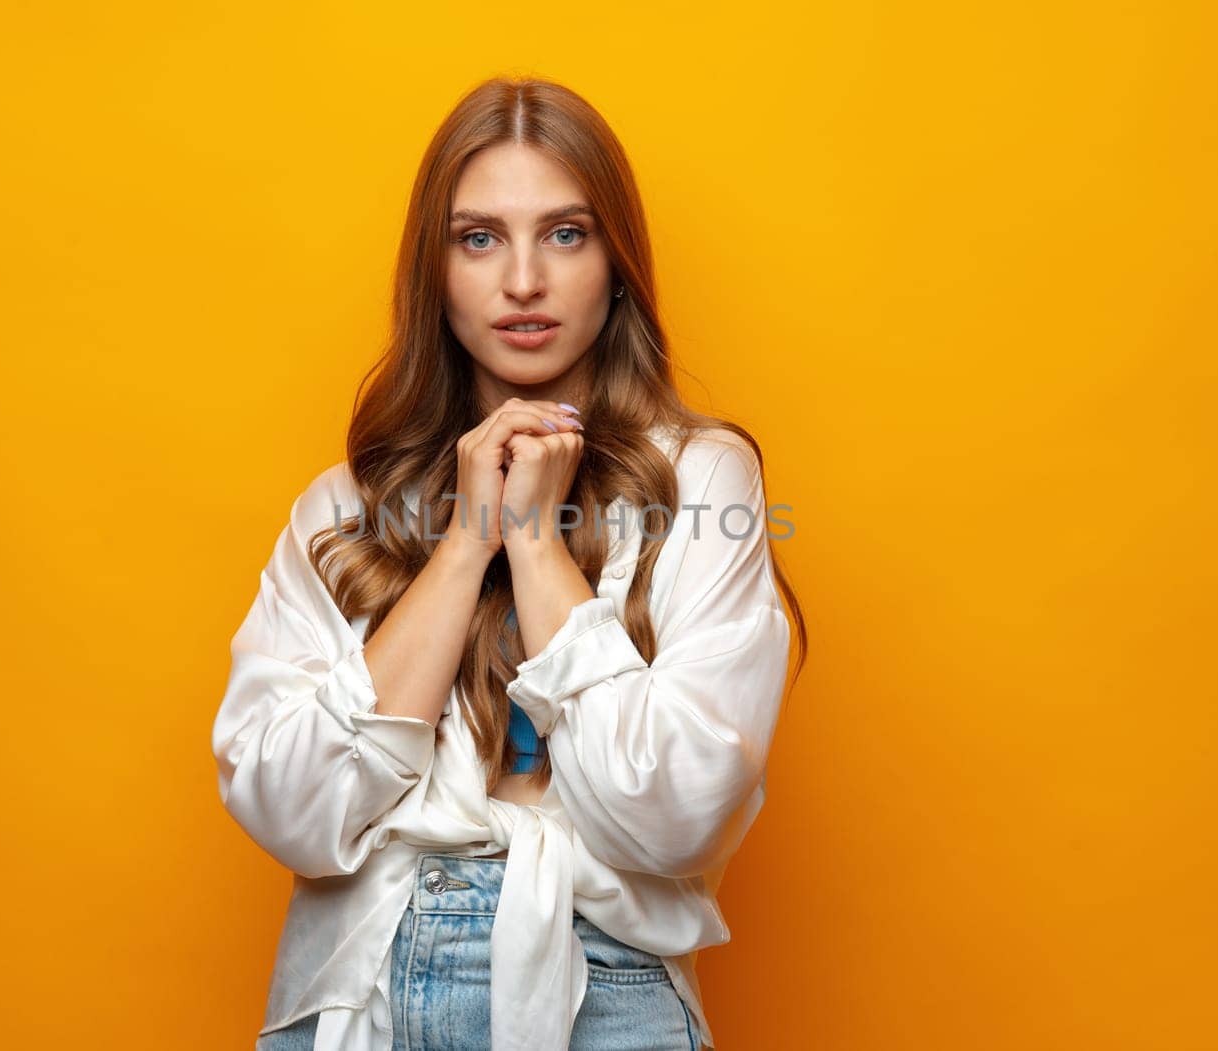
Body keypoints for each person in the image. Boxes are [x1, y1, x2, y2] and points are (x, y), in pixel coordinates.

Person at [211, 75, 808, 1051]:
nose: (522, 279)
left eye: (565, 233)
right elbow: (289, 807)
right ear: (433, 271)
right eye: (478, 237)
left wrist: (534, 540)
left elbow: (674, 812)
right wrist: (467, 538)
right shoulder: (343, 506)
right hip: (358, 986)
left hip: (600, 985)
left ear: (616, 263)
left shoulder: (702, 476)